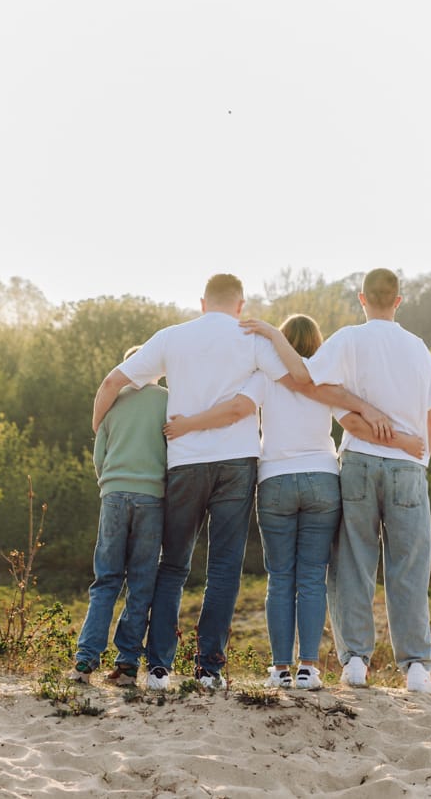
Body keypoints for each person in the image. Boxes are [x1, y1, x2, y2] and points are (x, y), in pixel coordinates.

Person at [167, 314, 424, 690]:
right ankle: (309, 669)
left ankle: (280, 670)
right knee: (312, 578)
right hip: (322, 479)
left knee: (280, 578)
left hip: (275, 481)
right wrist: (404, 441)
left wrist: (188, 423)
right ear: (318, 342)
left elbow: (238, 410)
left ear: (281, 342)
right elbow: (353, 425)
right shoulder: (323, 381)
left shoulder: (265, 377)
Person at [90, 273, 311, 690]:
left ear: (202, 303)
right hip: (237, 464)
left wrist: (100, 434)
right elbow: (298, 379)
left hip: (186, 463)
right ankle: (209, 669)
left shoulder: (172, 337)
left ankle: (158, 668)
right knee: (224, 568)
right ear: (241, 305)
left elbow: (111, 383)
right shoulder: (252, 339)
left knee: (172, 564)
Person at [305, 268, 431, 693]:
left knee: (352, 563)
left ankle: (356, 662)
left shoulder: (348, 338)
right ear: (399, 300)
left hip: (360, 462)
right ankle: (417, 667)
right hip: (408, 467)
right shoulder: (419, 348)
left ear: (362, 298)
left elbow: (312, 381)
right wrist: (418, 462)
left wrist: (356, 417)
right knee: (409, 569)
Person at [70, 346, 168, 686]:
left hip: (113, 495)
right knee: (141, 583)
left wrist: (111, 484)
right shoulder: (168, 401)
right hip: (152, 498)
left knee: (106, 580)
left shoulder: (111, 403)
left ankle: (85, 661)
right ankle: (127, 665)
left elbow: (100, 456)